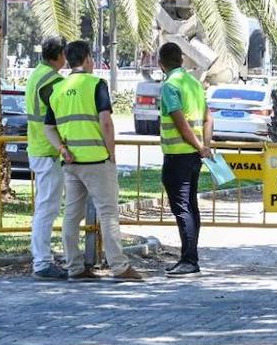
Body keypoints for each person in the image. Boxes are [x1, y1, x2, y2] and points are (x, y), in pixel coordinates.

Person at [42, 40, 143, 282]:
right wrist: (112, 153)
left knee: (71, 216)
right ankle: (119, 267)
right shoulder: (96, 84)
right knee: (108, 213)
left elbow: (48, 128)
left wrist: (62, 149)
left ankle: (75, 267)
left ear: (68, 60)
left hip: (71, 163)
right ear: (87, 59)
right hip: (97, 160)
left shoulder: (58, 89)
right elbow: (105, 121)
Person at [157, 42, 213, 276]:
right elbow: (209, 118)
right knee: (191, 206)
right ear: (182, 60)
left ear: (161, 64)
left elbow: (180, 122)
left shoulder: (170, 86)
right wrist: (205, 147)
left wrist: (199, 145)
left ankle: (189, 260)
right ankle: (190, 257)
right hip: (194, 156)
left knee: (182, 208)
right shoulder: (194, 83)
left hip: (178, 155)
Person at [25, 36, 68, 280]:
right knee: (47, 208)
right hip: (48, 150)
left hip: (39, 147)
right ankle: (42, 262)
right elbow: (60, 114)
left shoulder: (37, 74)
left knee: (45, 206)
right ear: (59, 55)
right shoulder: (52, 80)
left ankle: (42, 257)